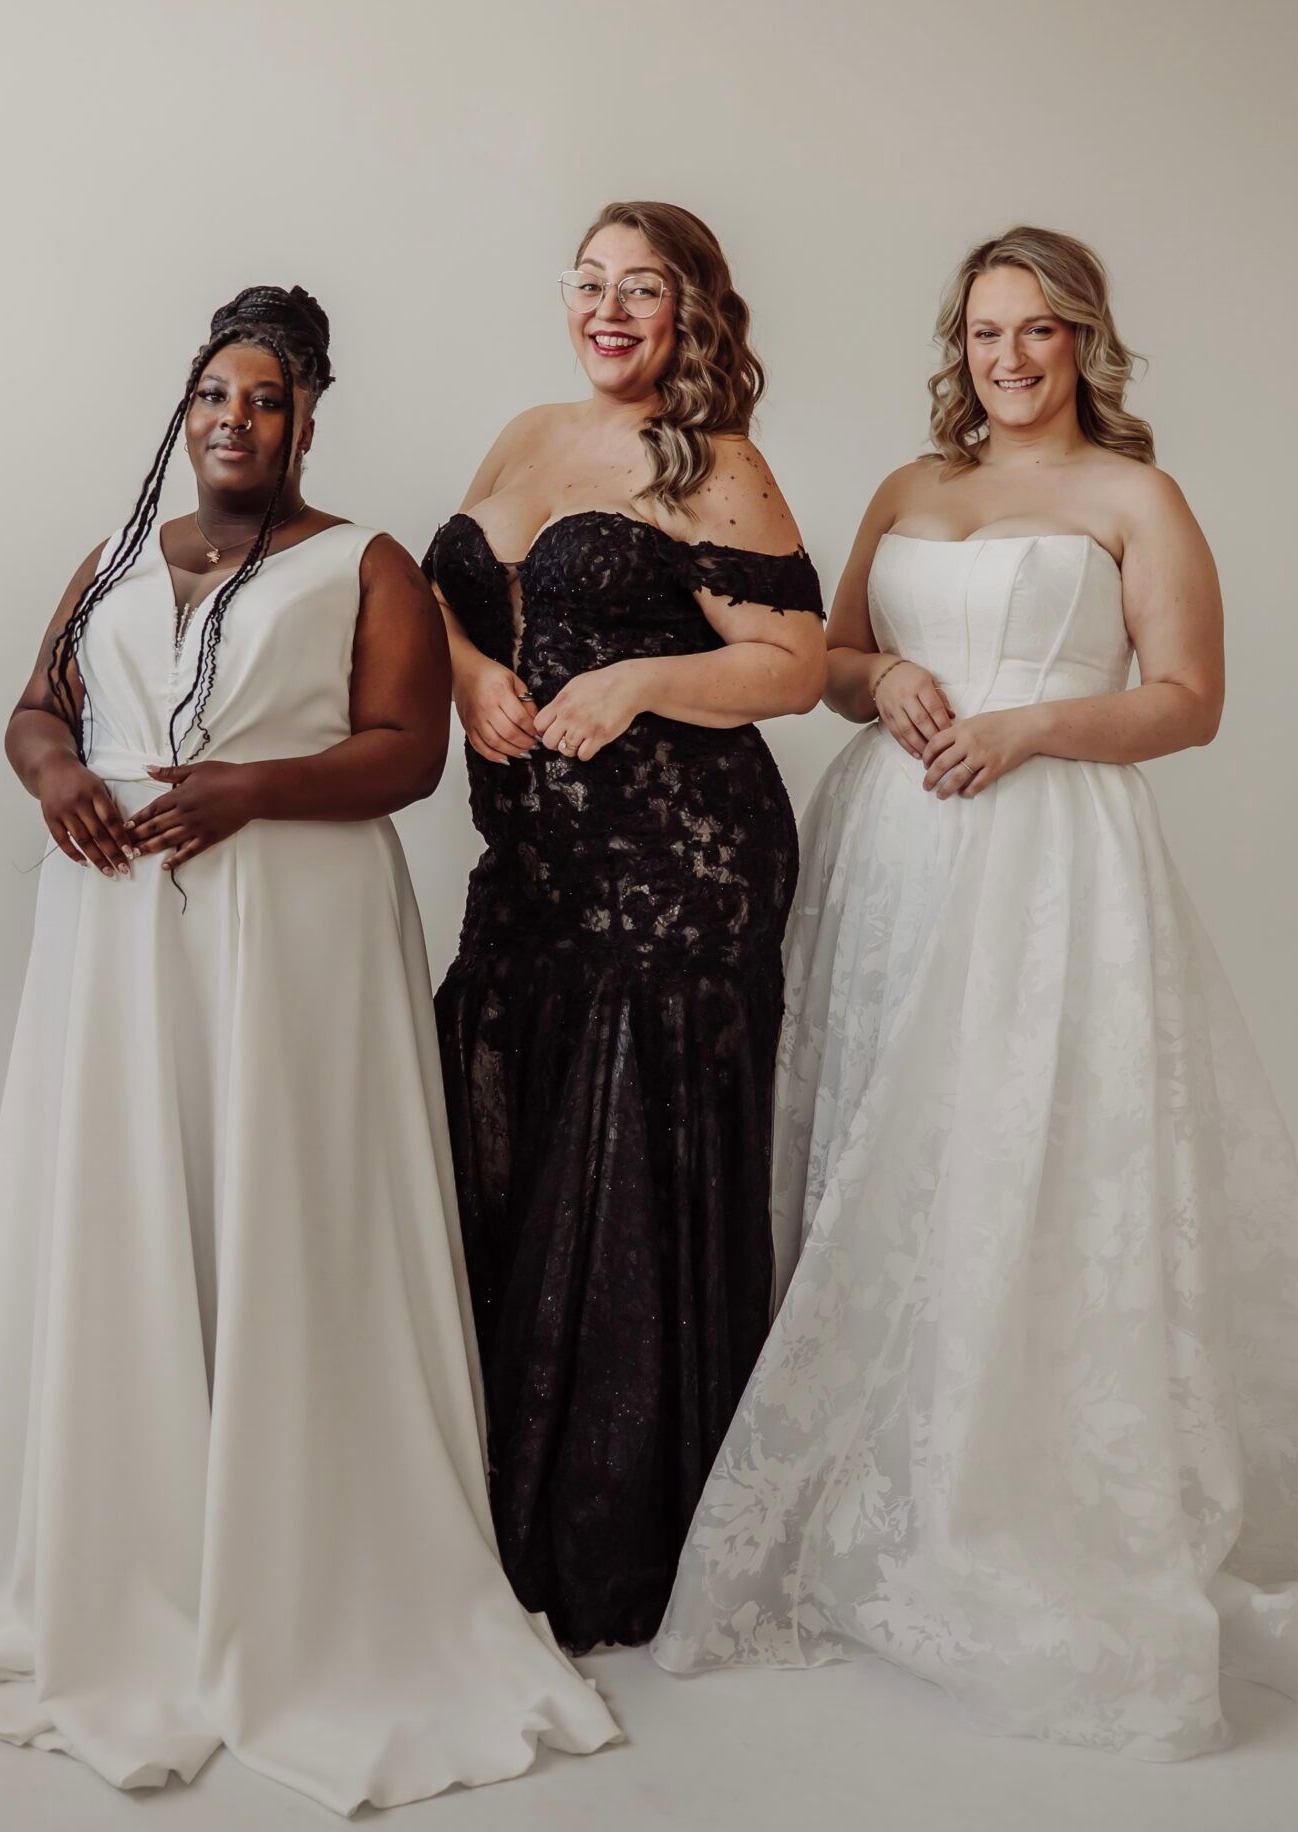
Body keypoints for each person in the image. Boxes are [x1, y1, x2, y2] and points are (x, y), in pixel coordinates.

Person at [655, 227, 1298, 1757]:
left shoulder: (1138, 498)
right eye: (986, 331)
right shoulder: (909, 489)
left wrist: (1029, 729)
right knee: (889, 1133)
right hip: (893, 850)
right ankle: (883, 1430)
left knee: (1027, 1137)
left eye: (1039, 330)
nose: (1009, 357)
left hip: (1048, 852)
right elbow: (832, 656)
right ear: (961, 346)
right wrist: (891, 682)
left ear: (1083, 342)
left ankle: (1011, 1453)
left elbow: (1191, 701)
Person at [0, 284, 620, 1813]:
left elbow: (408, 754)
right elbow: (34, 707)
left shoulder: (365, 563)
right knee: (129, 1188)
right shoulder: (119, 553)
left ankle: (287, 1513)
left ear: (307, 417)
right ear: (185, 406)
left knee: (279, 1198)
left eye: (266, 399)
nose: (235, 419)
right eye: (215, 394)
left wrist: (250, 789)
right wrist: (58, 777)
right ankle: (127, 1488)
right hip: (119, 925)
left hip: (294, 932)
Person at [422, 201, 827, 1651]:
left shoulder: (717, 465)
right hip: (531, 868)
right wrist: (469, 673)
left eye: (640, 289)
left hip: (675, 872)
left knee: (623, 1178)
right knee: (500, 1142)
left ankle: (614, 1544)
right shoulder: (526, 435)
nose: (607, 310)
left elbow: (794, 665)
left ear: (690, 310)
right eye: (589, 283)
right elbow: (441, 602)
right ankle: (479, 1506)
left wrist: (644, 679)